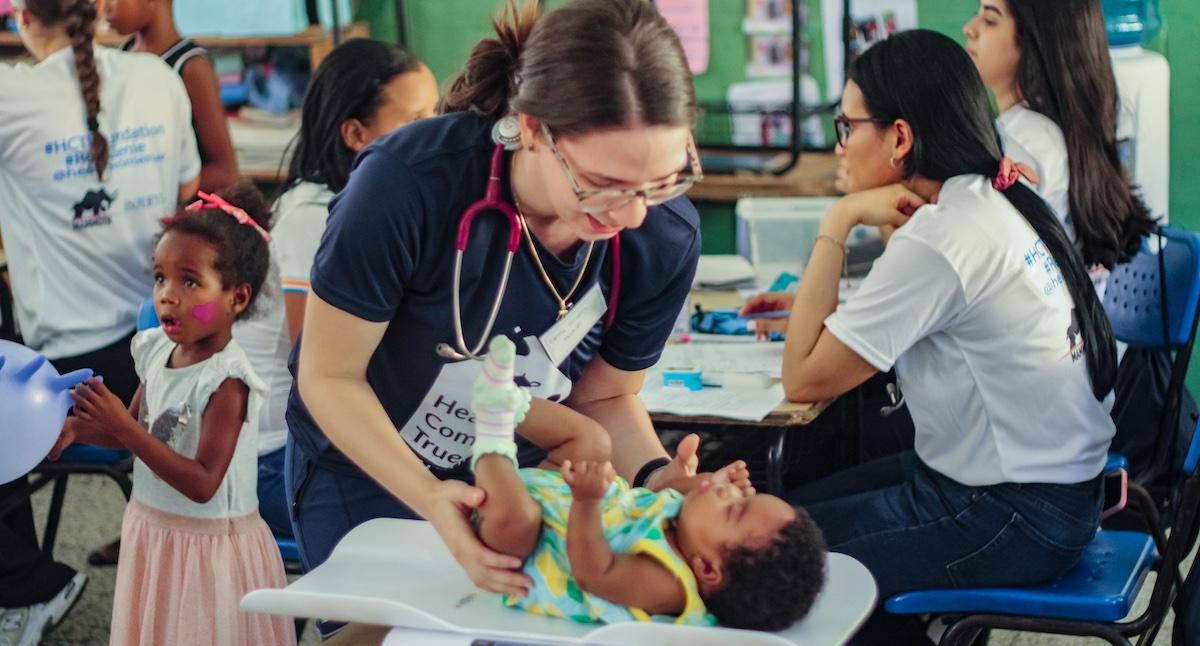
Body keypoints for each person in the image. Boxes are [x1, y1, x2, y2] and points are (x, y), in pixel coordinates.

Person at [286, 0, 742, 627]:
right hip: (368, 462)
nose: (631, 214)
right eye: (601, 184)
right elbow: (330, 376)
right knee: (390, 635)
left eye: (661, 181)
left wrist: (655, 475)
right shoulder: (407, 184)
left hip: (521, 475)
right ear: (531, 128)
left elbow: (604, 398)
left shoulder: (662, 237)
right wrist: (427, 496)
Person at [742, 29, 1116, 640]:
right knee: (791, 509)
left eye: (846, 125)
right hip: (1050, 495)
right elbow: (906, 304)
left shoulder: (945, 236)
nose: (840, 145)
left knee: (770, 557)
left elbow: (803, 377)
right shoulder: (989, 199)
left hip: (1013, 515)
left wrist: (838, 221)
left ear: (900, 138)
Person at [0, 0, 199, 641]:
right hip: (164, 347)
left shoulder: (13, 96)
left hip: (74, 376)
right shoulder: (159, 79)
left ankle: (28, 589)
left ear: (24, 19)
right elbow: (186, 195)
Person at [53, 183, 295, 646]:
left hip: (208, 551)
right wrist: (77, 429)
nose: (167, 295)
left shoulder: (227, 382)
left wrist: (123, 426)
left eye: (189, 281)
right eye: (160, 277)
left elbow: (204, 482)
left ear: (237, 298)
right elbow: (144, 435)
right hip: (155, 531)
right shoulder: (157, 351)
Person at [468, 336, 826, 631]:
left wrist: (588, 502)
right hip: (561, 494)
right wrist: (711, 481)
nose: (729, 492)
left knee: (519, 517)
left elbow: (595, 572)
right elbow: (677, 492)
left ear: (706, 569)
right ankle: (507, 400)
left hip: (525, 550)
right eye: (745, 495)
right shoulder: (690, 528)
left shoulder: (667, 585)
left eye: (733, 508)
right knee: (593, 441)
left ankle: (491, 439)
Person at [963, 0, 1155, 280]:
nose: (970, 29)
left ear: (1035, 41)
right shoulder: (1063, 132)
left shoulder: (1019, 144)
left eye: (990, 20)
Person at [273, 38, 438, 342]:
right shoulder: (309, 217)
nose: (437, 131)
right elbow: (311, 360)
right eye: (416, 120)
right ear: (355, 133)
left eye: (436, 112)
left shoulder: (393, 201)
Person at [105, 0, 240, 192]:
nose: (104, 8)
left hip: (171, 210)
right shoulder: (123, 56)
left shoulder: (191, 67)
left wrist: (155, 189)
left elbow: (226, 173)